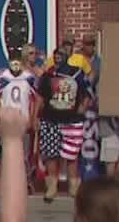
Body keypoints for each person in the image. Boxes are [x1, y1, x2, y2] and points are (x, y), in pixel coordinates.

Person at [38, 44, 92, 203]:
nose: (57, 57)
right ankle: (52, 187)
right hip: (50, 119)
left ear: (67, 56)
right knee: (51, 154)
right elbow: (40, 98)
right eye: (55, 54)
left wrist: (83, 106)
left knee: (71, 155)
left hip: (72, 120)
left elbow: (87, 93)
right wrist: (35, 116)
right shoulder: (48, 75)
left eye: (60, 54)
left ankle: (74, 187)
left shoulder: (77, 73)